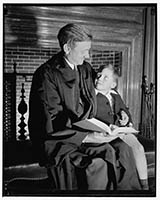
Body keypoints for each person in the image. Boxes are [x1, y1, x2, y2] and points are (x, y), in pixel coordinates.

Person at [28, 23, 141, 191]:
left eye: (89, 50)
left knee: (124, 148)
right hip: (60, 139)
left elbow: (107, 87)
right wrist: (87, 137)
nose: (88, 56)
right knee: (99, 162)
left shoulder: (85, 68)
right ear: (67, 48)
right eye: (83, 51)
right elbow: (51, 121)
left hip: (86, 131)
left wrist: (123, 112)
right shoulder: (46, 75)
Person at [94, 63, 149, 190]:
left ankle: (145, 186)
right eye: (99, 75)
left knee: (139, 148)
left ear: (113, 84)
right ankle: (128, 186)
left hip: (121, 130)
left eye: (105, 77)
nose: (100, 79)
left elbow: (124, 110)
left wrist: (125, 116)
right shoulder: (92, 95)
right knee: (124, 150)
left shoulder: (115, 94)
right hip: (107, 133)